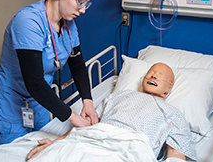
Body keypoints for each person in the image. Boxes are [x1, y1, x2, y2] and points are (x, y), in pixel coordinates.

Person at [0, 0, 98, 147]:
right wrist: (72, 117)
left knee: (42, 152)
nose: (83, 9)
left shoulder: (68, 25)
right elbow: (34, 82)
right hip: (10, 104)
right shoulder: (28, 21)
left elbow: (77, 66)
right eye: (80, 1)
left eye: (87, 3)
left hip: (38, 103)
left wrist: (87, 101)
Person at [26, 63, 197, 161]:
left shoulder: (173, 113)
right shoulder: (119, 95)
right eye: (150, 73)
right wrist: (59, 142)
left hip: (132, 147)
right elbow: (90, 124)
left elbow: (176, 154)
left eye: (159, 75)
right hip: (94, 138)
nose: (152, 76)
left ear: (168, 89)